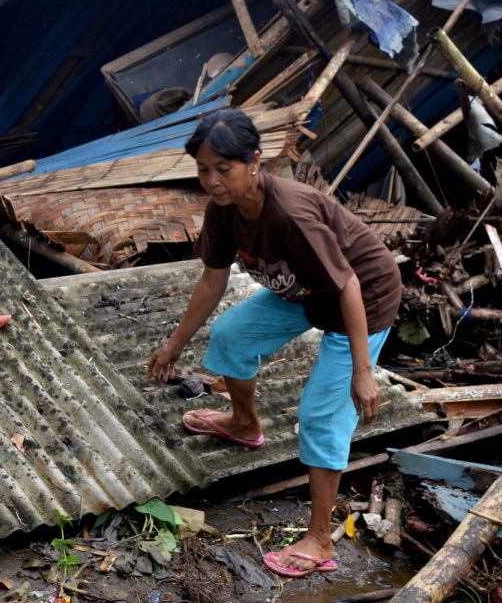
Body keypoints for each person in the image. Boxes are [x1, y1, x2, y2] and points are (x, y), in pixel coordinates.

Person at [146, 107, 399, 579]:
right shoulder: (223, 210)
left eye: (225, 168)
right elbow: (211, 279)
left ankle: (321, 538)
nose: (213, 180)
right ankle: (244, 424)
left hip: (362, 296)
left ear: (255, 162)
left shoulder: (289, 215)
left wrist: (363, 372)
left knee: (321, 413)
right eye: (204, 170)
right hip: (304, 291)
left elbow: (348, 286)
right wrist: (175, 344)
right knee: (230, 336)